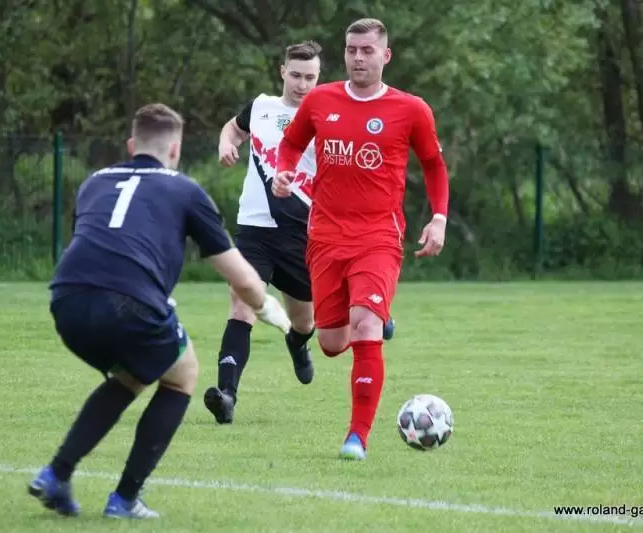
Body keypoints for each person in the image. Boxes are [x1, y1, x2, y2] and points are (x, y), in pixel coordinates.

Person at [27, 103, 291, 519]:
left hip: (65, 300)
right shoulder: (184, 190)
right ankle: (124, 499)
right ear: (175, 150)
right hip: (128, 301)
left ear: (132, 145)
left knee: (132, 376)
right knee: (183, 374)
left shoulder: (94, 181)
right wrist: (266, 307)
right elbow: (242, 278)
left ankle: (56, 475)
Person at [273, 18, 450, 461]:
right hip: (325, 235)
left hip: (378, 236)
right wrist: (284, 170)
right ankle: (375, 316)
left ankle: (357, 437)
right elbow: (291, 145)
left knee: (365, 326)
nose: (358, 58)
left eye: (367, 50)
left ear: (385, 56)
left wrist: (439, 218)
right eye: (352, 49)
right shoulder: (320, 100)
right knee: (332, 343)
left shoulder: (411, 109)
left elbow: (433, 164)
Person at [202, 41, 321, 425]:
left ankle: (297, 344)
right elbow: (233, 129)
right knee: (242, 305)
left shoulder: (326, 117)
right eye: (296, 75)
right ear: (282, 72)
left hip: (301, 233)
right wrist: (225, 143)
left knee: (304, 322)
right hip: (254, 230)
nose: (302, 84)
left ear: (319, 78)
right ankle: (226, 396)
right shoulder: (261, 107)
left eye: (310, 77)